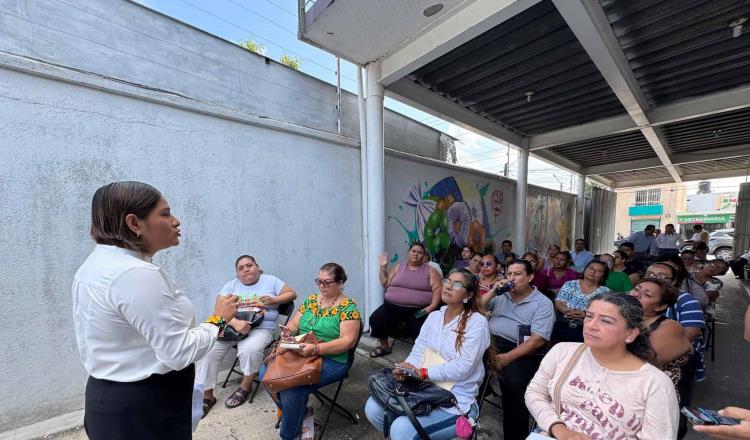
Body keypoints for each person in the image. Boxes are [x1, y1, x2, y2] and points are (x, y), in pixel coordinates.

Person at [72, 181, 239, 439]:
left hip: (114, 397)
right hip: (144, 404)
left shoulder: (99, 264)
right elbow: (179, 352)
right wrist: (218, 319)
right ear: (134, 223)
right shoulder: (135, 274)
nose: (176, 221)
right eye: (165, 213)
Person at [525, 292, 679, 439]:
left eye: (606, 321)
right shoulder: (563, 351)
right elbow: (535, 392)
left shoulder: (655, 384)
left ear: (630, 334)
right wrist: (559, 429)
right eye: (589, 316)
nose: (591, 325)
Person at [365, 269, 489, 440]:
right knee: (373, 408)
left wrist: (423, 373)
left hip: (455, 399)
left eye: (458, 284)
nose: (449, 286)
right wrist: (406, 368)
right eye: (447, 281)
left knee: (402, 429)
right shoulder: (434, 317)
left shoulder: (477, 322)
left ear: (468, 295)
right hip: (422, 388)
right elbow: (418, 350)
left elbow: (464, 367)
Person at [260, 263, 360, 440]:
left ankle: (289, 435)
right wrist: (288, 332)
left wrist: (316, 349)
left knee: (292, 390)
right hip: (302, 352)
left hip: (332, 358)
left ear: (340, 282)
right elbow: (294, 324)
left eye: (327, 282)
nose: (321, 286)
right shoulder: (311, 300)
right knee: (265, 372)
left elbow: (347, 341)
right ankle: (299, 412)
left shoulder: (348, 308)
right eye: (319, 281)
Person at [196, 255, 297, 415]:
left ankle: (245, 386)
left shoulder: (270, 280)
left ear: (258, 267)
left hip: (262, 328)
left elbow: (292, 294)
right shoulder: (231, 286)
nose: (246, 269)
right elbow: (218, 311)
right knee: (208, 350)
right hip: (231, 327)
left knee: (249, 349)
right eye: (241, 268)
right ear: (237, 274)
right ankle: (207, 396)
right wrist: (236, 323)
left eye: (249, 265)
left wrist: (274, 299)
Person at [484, 260, 555, 440]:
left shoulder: (542, 303)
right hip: (489, 344)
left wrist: (506, 358)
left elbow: (537, 340)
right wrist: (493, 291)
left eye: (517, 274)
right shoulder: (501, 295)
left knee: (514, 384)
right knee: (465, 369)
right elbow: (476, 307)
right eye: (509, 274)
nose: (512, 278)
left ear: (530, 277)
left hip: (521, 350)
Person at [369, 242, 441, 357]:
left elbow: (437, 288)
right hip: (391, 307)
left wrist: (432, 306)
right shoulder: (399, 266)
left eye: (420, 252)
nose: (416, 254)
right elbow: (385, 282)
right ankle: (384, 347)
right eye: (414, 251)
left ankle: (420, 355)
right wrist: (382, 267)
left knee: (419, 329)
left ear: (423, 255)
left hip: (417, 310)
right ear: (409, 252)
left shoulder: (430, 270)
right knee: (376, 319)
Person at [629, 278, 692, 395]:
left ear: (660, 306)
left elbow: (643, 366)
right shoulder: (626, 317)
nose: (636, 294)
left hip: (654, 394)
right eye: (636, 289)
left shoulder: (669, 326)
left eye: (647, 295)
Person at [552, 260, 611, 342]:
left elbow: (603, 312)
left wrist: (585, 314)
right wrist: (565, 310)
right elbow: (559, 303)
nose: (593, 272)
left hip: (587, 329)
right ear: (585, 270)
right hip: (563, 323)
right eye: (591, 268)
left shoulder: (605, 292)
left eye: (598, 271)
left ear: (603, 275)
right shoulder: (570, 284)